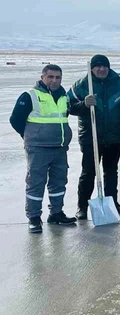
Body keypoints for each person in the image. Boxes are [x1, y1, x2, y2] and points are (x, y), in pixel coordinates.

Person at [10, 64, 76, 233]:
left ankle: (56, 213)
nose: (54, 80)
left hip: (59, 147)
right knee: (36, 183)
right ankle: (34, 217)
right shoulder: (30, 96)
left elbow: (64, 117)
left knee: (59, 182)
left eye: (58, 77)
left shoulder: (64, 97)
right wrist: (31, 136)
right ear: (42, 77)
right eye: (50, 77)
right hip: (38, 148)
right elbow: (15, 120)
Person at [68, 54, 120, 219]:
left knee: (111, 172)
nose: (101, 69)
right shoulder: (82, 85)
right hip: (91, 137)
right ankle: (82, 206)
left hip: (114, 136)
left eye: (105, 66)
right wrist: (84, 104)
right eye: (98, 66)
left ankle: (112, 202)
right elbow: (69, 107)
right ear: (92, 68)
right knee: (88, 172)